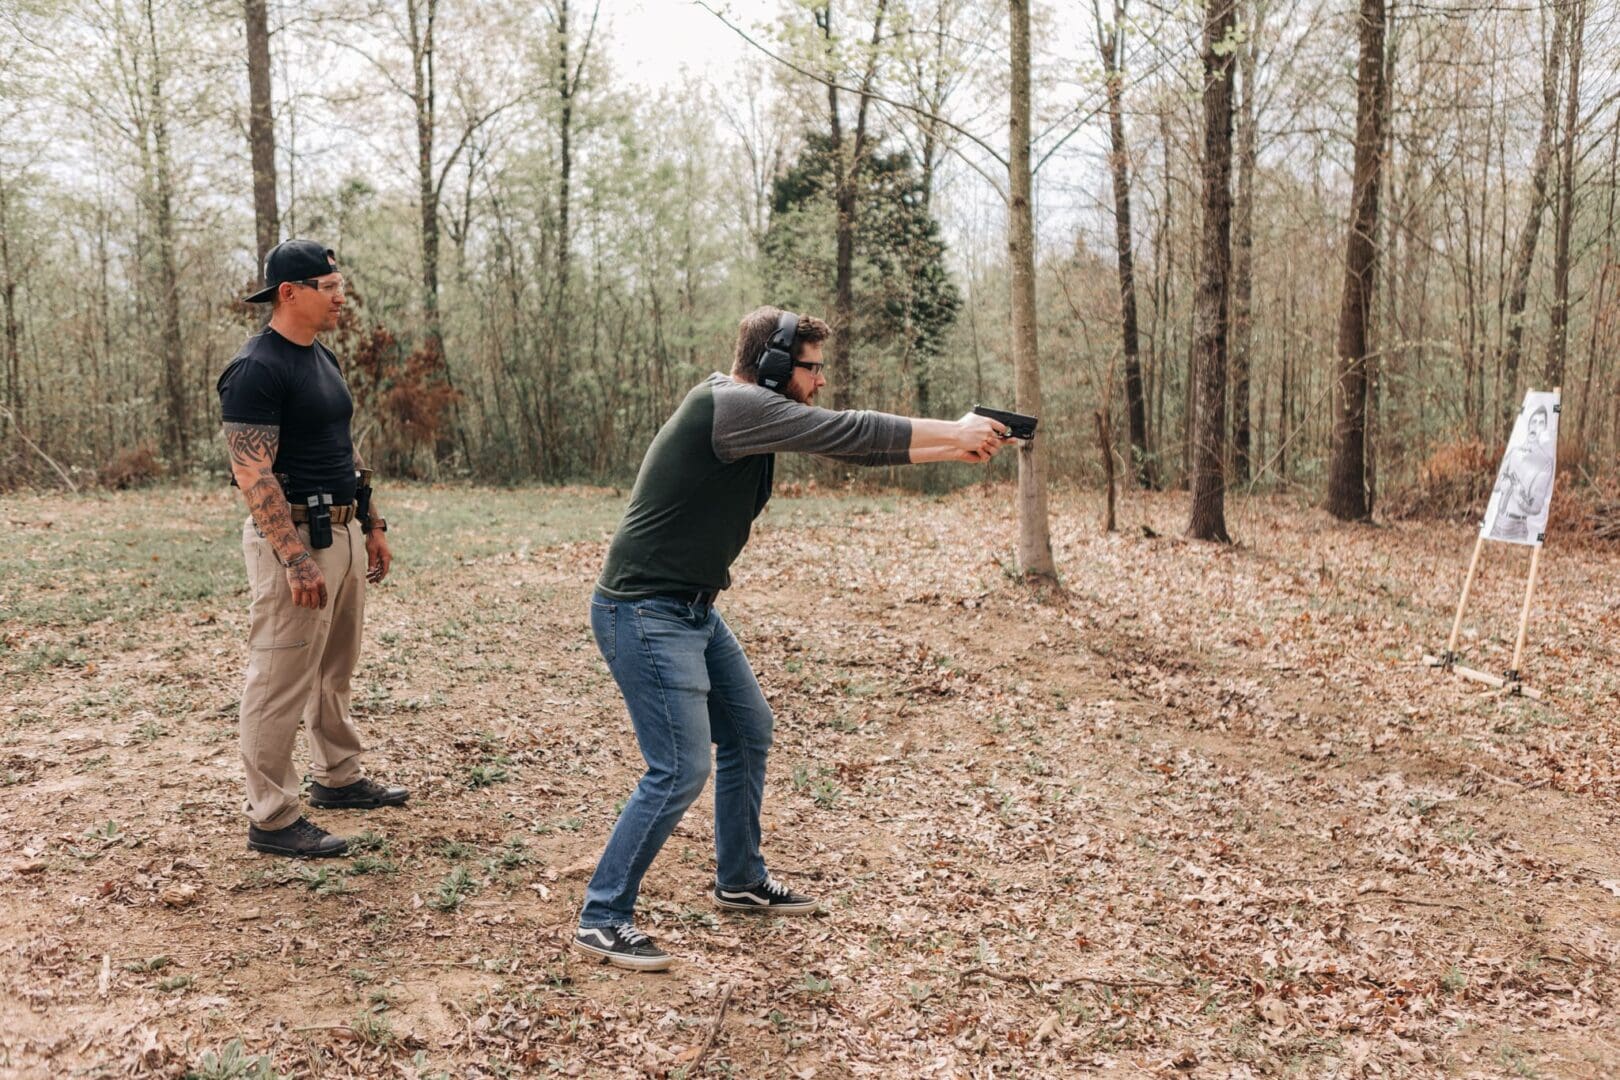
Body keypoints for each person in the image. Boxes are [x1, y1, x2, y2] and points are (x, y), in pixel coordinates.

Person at [571, 306, 1010, 971]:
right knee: (680, 769)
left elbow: (847, 439)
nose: (821, 381)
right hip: (643, 610)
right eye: (812, 367)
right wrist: (952, 431)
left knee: (748, 729)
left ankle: (740, 879)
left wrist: (956, 445)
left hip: (689, 609)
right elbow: (848, 434)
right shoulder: (732, 405)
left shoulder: (750, 410)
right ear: (774, 364)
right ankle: (603, 915)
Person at [218, 239, 407, 859]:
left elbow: (342, 445)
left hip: (344, 530)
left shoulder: (321, 359)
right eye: (329, 287)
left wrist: (372, 520)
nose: (340, 296)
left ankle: (339, 778)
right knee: (279, 675)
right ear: (289, 293)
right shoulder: (257, 368)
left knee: (334, 666)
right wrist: (293, 556)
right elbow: (253, 472)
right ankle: (271, 817)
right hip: (295, 537)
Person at [1488, 404, 1555, 543]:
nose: (1535, 427)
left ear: (1545, 429)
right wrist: (1504, 483)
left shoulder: (1545, 462)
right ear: (1528, 425)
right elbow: (1496, 485)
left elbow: (1536, 506)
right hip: (1497, 521)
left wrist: (1518, 494)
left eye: (1541, 423)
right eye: (1533, 422)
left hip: (1516, 527)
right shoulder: (1514, 452)